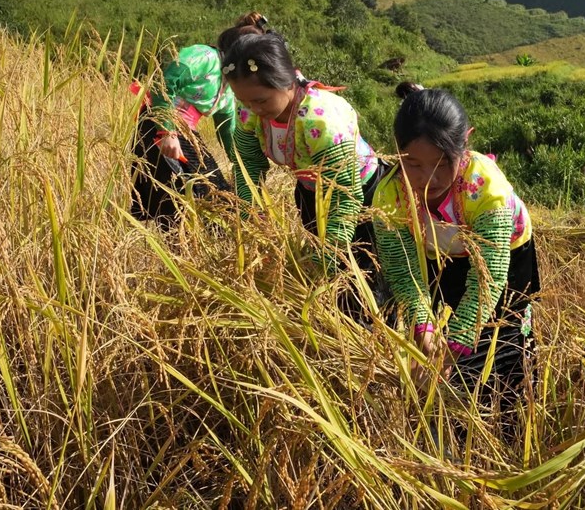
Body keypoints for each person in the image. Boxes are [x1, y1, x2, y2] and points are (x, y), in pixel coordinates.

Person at [372, 83, 539, 436]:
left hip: (504, 258)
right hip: (439, 255)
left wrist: (459, 339)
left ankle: (514, 418)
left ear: (465, 146)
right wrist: (423, 326)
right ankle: (461, 414)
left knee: (506, 336)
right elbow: (403, 270)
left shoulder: (485, 187)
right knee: (444, 326)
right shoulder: (390, 193)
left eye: (440, 163)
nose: (426, 178)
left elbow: (488, 278)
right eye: (412, 164)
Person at [221, 29, 390, 317]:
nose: (252, 108)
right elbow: (248, 165)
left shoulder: (320, 118)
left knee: (359, 275)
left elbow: (345, 196)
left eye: (261, 100)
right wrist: (250, 213)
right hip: (311, 191)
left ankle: (371, 332)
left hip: (361, 196)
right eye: (244, 100)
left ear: (285, 82)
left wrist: (329, 252)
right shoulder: (250, 111)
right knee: (326, 277)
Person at [130, 38, 239, 229]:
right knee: (173, 195)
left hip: (186, 133)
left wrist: (242, 165)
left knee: (215, 189)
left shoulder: (229, 87)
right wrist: (166, 131)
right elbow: (163, 83)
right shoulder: (205, 57)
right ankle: (174, 250)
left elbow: (227, 130)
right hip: (160, 123)